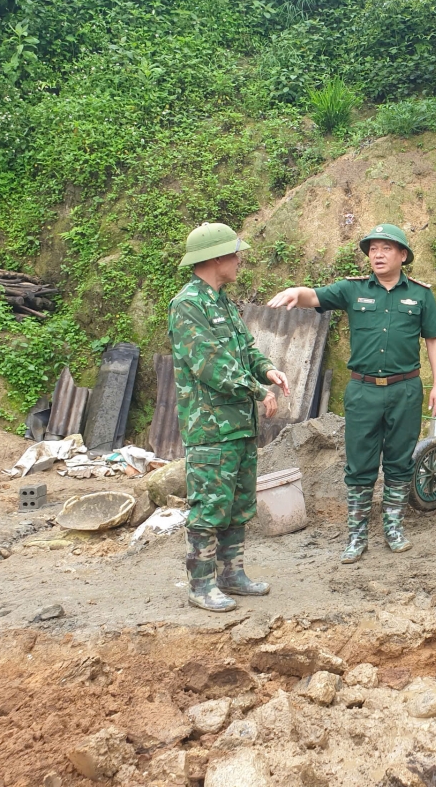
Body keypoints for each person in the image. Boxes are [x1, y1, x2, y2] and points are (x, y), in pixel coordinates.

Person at [268, 224, 436, 563]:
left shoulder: (421, 295)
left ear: (402, 255)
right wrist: (296, 292)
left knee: (398, 461)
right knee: (360, 463)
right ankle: (357, 535)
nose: (377, 254)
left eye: (386, 248)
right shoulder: (353, 291)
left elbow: (433, 340)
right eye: (373, 249)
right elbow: (315, 296)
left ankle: (393, 528)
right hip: (363, 391)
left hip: (405, 390)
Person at [169, 222, 291, 612]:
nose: (239, 260)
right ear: (216, 257)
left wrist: (267, 370)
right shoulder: (187, 304)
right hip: (210, 428)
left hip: (237, 425)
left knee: (237, 503)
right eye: (235, 253)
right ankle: (200, 584)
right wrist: (258, 391)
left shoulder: (221, 301)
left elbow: (244, 349)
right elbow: (210, 364)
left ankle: (231, 573)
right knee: (209, 506)